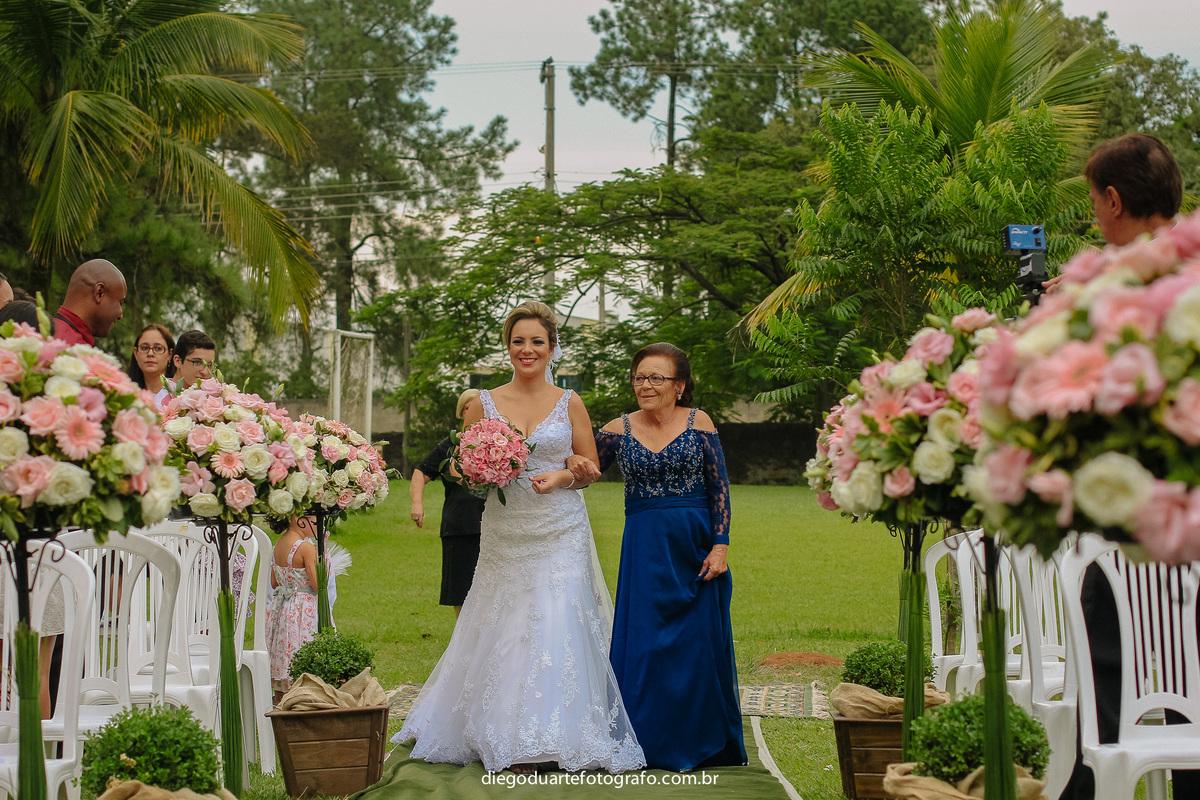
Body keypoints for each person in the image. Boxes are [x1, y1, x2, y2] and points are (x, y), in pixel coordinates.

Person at [395, 301, 645, 775]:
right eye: (518, 341)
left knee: (557, 617)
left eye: (537, 341)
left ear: (552, 348)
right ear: (507, 347)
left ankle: (557, 732)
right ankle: (506, 731)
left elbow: (589, 468)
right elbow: (456, 465)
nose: (527, 350)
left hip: (560, 527)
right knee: (507, 620)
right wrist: (477, 469)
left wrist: (565, 475)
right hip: (506, 530)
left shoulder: (570, 402)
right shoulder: (482, 403)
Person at [1059, 133, 1193, 800]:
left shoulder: (1117, 291)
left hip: (1133, 511)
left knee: (1107, 678)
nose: (1095, 219)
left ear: (1113, 200)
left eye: (1093, 205)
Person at [571, 342, 746, 771]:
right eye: (639, 377)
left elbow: (719, 487)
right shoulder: (617, 428)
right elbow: (586, 472)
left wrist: (720, 545)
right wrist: (570, 461)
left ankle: (703, 741)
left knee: (697, 645)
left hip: (696, 545)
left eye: (656, 378)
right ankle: (643, 742)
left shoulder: (699, 422)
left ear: (679, 385)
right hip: (644, 548)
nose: (645, 385)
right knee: (645, 644)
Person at [409, 389, 487, 618]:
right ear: (461, 412)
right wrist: (417, 504)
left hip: (492, 523)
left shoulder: (495, 445)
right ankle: (463, 635)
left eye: (480, 407)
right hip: (458, 525)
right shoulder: (449, 446)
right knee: (460, 588)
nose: (474, 412)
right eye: (468, 408)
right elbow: (420, 472)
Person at [265, 515, 319, 703]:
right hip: (302, 611)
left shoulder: (278, 545)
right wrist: (324, 562)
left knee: (286, 654)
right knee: (302, 651)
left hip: (282, 609)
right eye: (314, 521)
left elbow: (274, 582)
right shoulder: (306, 548)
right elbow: (317, 585)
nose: (317, 526)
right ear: (298, 518)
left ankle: (280, 704)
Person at [52, 259, 126, 345]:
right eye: (120, 303)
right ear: (99, 293)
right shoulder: (63, 346)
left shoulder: (55, 337)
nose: (120, 315)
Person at [128, 323, 176, 409]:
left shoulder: (181, 397)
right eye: (144, 348)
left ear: (170, 354)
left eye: (158, 348)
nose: (150, 353)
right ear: (135, 353)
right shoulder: (125, 394)